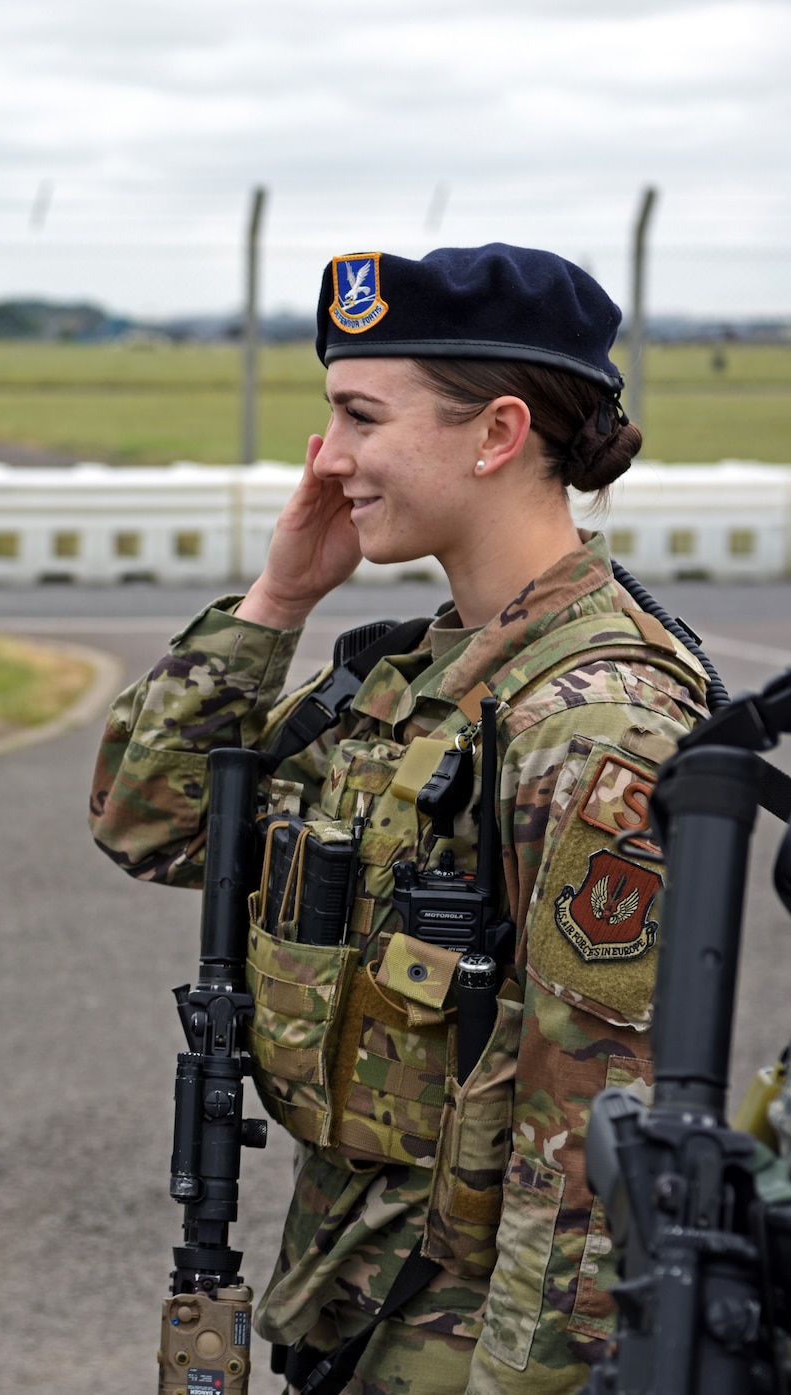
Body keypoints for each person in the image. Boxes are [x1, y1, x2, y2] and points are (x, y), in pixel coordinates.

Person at [90, 245, 712, 1394]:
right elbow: (149, 824)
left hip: (471, 1326)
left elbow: (584, 1129)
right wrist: (276, 601)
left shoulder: (592, 718)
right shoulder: (413, 681)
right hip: (356, 1286)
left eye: (360, 417)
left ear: (494, 435)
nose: (327, 459)